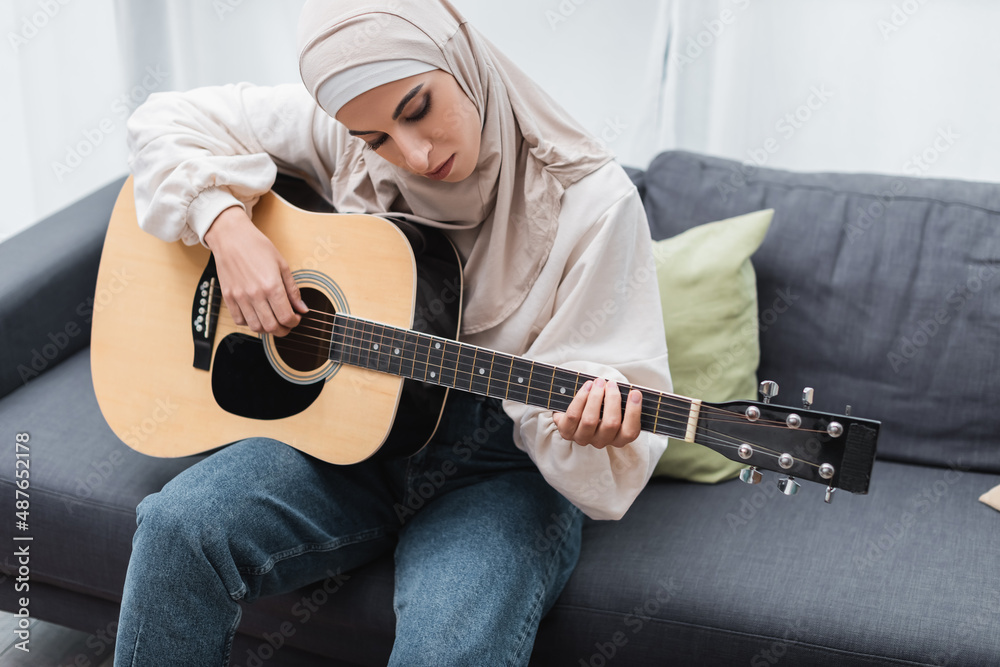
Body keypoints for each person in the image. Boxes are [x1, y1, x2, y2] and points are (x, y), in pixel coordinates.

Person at [114, 1, 672, 665]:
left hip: (501, 469)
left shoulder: (593, 202)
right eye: (376, 139)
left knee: (450, 651)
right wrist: (224, 224)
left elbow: (612, 384)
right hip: (345, 437)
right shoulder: (344, 131)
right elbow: (161, 121)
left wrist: (591, 424)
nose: (413, 153)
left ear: (456, 57)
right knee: (176, 529)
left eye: (417, 107)